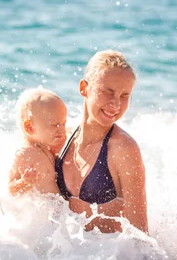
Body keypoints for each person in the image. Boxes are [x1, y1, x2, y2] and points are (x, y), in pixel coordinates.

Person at [55, 50, 148, 233]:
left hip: (108, 259)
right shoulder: (62, 139)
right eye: (108, 91)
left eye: (124, 96)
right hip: (65, 257)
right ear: (84, 88)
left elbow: (141, 234)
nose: (116, 104)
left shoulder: (123, 148)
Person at [8, 88, 67, 196]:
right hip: (43, 211)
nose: (62, 130)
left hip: (60, 209)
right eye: (55, 125)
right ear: (30, 127)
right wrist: (25, 183)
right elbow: (11, 190)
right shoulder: (26, 153)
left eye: (64, 123)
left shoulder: (45, 146)